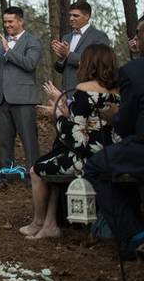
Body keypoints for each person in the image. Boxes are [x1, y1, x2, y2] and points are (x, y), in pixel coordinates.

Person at [20, 44, 120, 239]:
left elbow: (78, 138)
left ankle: (39, 221)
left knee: (36, 170)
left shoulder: (84, 89)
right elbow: (93, 121)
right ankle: (50, 224)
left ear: (89, 63)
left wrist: (57, 115)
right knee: (55, 158)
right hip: (112, 151)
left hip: (88, 157)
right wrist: (67, 109)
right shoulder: (118, 90)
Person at [85, 16, 144, 260]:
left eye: (139, 35)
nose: (135, 40)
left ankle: (134, 235)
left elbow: (127, 123)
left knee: (97, 166)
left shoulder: (132, 71)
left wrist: (113, 116)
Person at [0, 6, 43, 170]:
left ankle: (34, 176)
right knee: (4, 141)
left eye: (10, 21)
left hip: (23, 98)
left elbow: (30, 64)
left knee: (29, 140)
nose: (7, 25)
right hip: (2, 98)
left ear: (20, 21)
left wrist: (8, 50)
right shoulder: (1, 41)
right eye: (5, 22)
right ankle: (6, 175)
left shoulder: (33, 41)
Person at [51, 1, 111, 93]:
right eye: (70, 15)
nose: (71, 18)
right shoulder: (66, 37)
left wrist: (68, 54)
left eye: (75, 16)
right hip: (66, 92)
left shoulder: (99, 37)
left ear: (87, 17)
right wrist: (61, 58)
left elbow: (98, 64)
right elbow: (61, 69)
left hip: (88, 92)